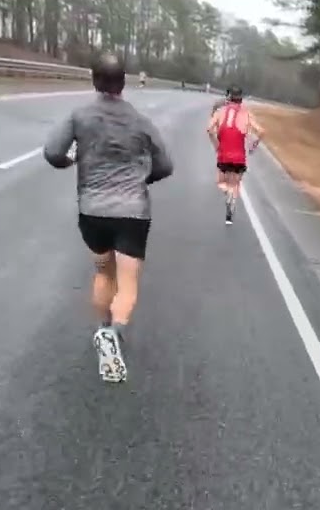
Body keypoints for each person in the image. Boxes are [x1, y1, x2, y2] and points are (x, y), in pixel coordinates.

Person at [43, 52, 174, 384]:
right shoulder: (142, 122)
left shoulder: (79, 116)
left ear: (94, 80)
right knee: (128, 282)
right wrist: (143, 179)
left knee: (103, 274)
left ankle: (104, 329)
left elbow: (52, 152)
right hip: (132, 211)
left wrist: (70, 163)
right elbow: (165, 166)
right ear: (124, 82)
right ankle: (114, 334)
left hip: (92, 209)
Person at [206, 85, 264, 225]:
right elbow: (261, 131)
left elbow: (209, 129)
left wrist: (216, 145)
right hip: (239, 157)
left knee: (221, 182)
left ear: (229, 97)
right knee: (235, 183)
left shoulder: (220, 111)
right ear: (241, 99)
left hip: (223, 155)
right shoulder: (246, 114)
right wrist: (253, 146)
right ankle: (231, 204)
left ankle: (227, 193)